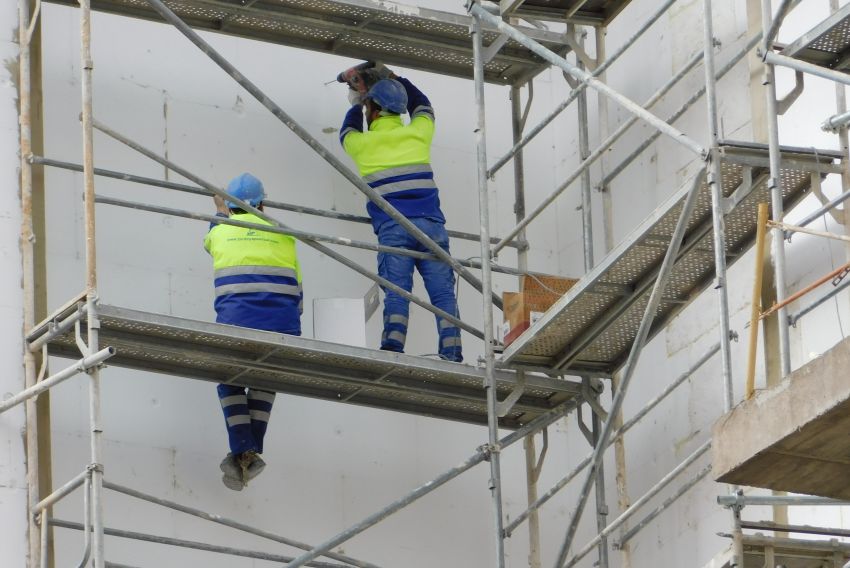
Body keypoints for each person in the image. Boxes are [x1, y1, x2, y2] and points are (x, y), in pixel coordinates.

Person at [339, 71, 462, 362]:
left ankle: (393, 347)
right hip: (431, 226)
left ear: (374, 110)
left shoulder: (364, 145)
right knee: (443, 295)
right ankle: (452, 352)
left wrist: (357, 100)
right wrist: (398, 79)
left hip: (394, 227)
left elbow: (347, 132)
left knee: (397, 291)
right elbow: (424, 106)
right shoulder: (418, 132)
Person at [203, 173, 302, 490]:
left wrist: (219, 212)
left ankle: (244, 447)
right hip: (284, 326)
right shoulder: (285, 234)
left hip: (237, 322)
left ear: (231, 207)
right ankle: (248, 450)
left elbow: (211, 239)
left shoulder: (221, 231)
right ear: (262, 203)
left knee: (229, 379)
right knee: (265, 379)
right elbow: (298, 290)